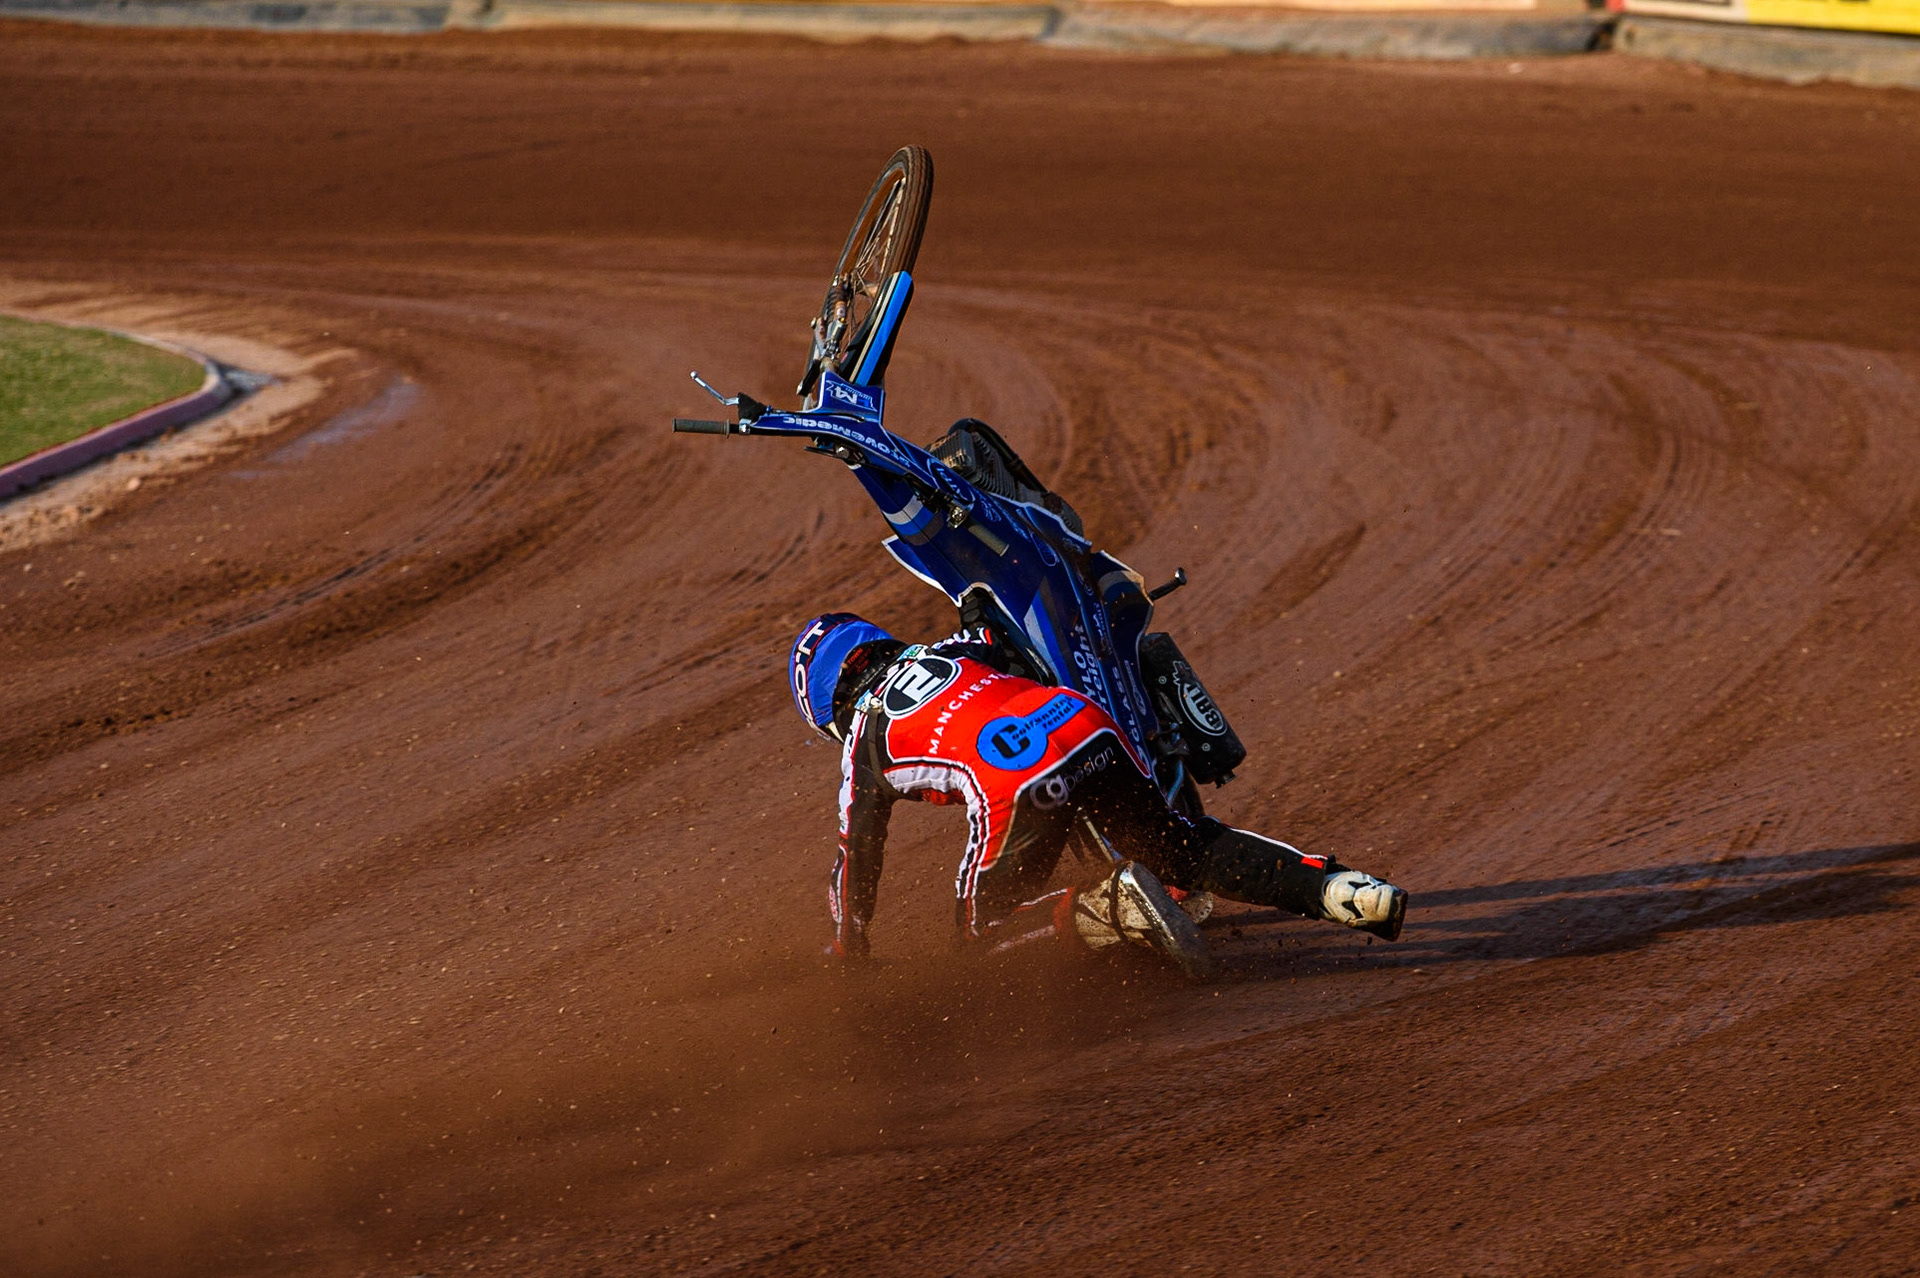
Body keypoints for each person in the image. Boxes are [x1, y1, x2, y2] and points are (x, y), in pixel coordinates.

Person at [790, 612, 1409, 978]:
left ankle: (1116, 906)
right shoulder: (944, 649)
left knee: (980, 944)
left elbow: (858, 856)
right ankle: (1339, 890)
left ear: (826, 708)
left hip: (1016, 779)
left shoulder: (864, 743)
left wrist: (852, 950)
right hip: (1084, 725)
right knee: (1184, 850)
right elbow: (989, 627)